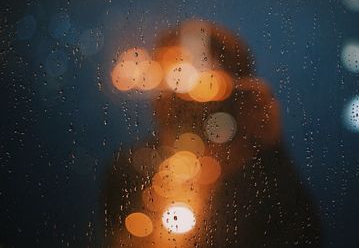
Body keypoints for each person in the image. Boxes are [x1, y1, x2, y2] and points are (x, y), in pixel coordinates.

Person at [102, 20, 321, 247]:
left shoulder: (259, 175)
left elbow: (301, 237)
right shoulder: (133, 167)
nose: (184, 98)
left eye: (208, 85)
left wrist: (270, 148)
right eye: (172, 80)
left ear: (238, 95)